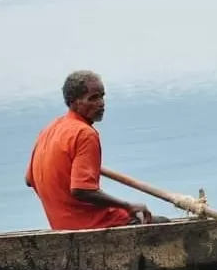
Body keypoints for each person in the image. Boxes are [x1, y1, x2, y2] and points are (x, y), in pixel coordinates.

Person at [26, 70, 167, 230]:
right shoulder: (84, 133)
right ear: (74, 102)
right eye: (93, 98)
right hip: (91, 223)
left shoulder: (50, 128)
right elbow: (81, 190)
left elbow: (29, 179)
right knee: (164, 225)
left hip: (61, 226)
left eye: (102, 96)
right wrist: (128, 205)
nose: (101, 103)